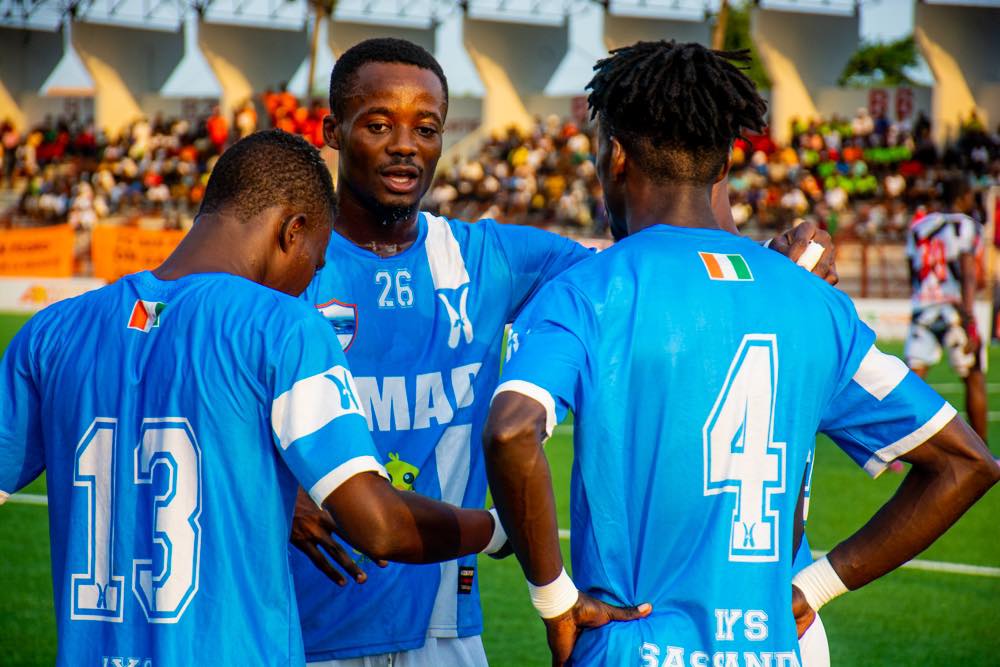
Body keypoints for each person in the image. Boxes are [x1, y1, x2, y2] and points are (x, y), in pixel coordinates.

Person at [289, 38, 839, 667]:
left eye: (428, 127)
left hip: (441, 630)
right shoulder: (283, 263)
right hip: (297, 621)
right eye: (380, 124)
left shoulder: (486, 258)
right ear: (332, 130)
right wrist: (277, 497)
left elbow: (657, 278)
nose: (405, 145)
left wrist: (778, 267)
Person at [482, 41, 999, 666]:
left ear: (614, 156)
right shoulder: (813, 301)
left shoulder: (592, 290)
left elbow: (512, 432)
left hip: (635, 647)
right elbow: (966, 463)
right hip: (780, 650)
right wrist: (818, 584)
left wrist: (553, 599)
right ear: (724, 161)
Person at [0, 130, 504, 666]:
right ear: (294, 231)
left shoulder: (50, 332)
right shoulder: (284, 328)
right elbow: (379, 528)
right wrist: (495, 529)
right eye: (315, 262)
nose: (309, 279)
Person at [905, 180, 987, 442]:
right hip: (953, 310)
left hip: (922, 309)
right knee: (973, 377)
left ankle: (896, 450)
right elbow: (967, 269)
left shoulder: (918, 226)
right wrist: (969, 318)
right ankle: (984, 455)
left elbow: (912, 270)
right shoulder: (966, 225)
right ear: (963, 197)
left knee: (909, 385)